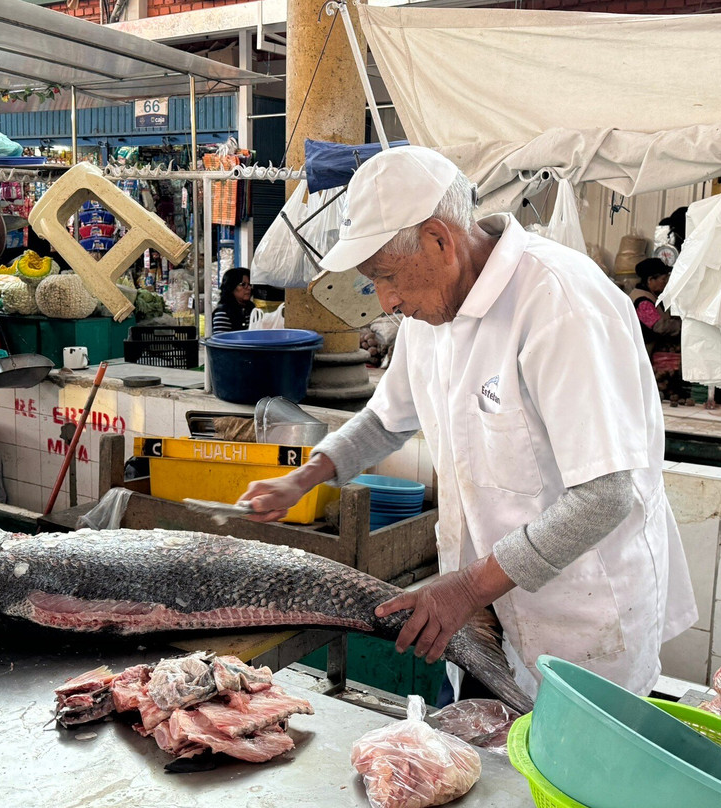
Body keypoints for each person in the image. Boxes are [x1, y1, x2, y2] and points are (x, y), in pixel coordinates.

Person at [240, 146, 696, 705]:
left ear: (438, 238)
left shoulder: (560, 302)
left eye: (385, 276)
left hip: (578, 617)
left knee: (569, 782)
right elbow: (386, 420)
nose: (387, 301)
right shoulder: (431, 312)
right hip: (485, 614)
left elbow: (604, 496)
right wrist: (305, 476)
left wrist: (464, 587)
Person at [629, 257, 682, 357]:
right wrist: (682, 325)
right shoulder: (642, 301)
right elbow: (659, 326)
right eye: (663, 279)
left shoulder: (652, 296)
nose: (666, 283)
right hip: (645, 352)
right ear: (650, 280)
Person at [211, 267, 255, 334]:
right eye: (243, 285)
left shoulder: (252, 309)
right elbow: (221, 341)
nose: (248, 288)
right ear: (231, 287)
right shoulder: (223, 313)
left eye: (249, 285)